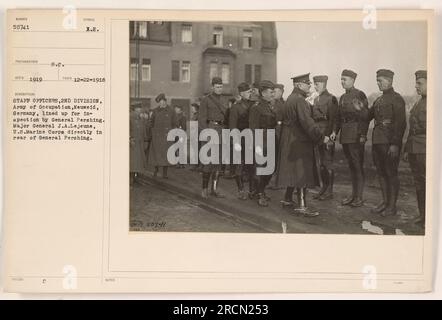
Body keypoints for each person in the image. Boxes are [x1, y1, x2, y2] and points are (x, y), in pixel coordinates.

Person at [276, 73, 328, 216]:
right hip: (299, 141)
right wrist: (320, 136)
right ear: (299, 85)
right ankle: (302, 206)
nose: (310, 86)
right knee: (302, 173)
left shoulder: (290, 99)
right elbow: (307, 122)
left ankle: (287, 199)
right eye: (307, 83)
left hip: (290, 139)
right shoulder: (300, 101)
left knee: (293, 170)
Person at [367, 69, 406, 216]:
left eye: (380, 81)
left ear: (389, 81)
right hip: (378, 142)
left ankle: (392, 206)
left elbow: (401, 123)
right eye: (377, 80)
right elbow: (367, 116)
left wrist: (395, 144)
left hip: (389, 143)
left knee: (391, 173)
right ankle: (384, 202)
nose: (378, 83)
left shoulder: (397, 99)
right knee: (381, 172)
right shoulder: (378, 100)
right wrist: (360, 109)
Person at [331, 69, 369, 207]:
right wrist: (335, 131)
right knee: (352, 166)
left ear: (353, 81)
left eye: (345, 79)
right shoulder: (342, 98)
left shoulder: (359, 94)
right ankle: (353, 196)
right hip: (346, 136)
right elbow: (338, 118)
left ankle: (359, 197)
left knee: (357, 166)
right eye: (341, 79)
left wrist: (363, 135)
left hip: (356, 135)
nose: (342, 82)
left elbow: (365, 117)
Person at [249, 80, 277, 206]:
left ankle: (260, 190)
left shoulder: (270, 106)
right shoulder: (256, 107)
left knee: (271, 169)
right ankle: (260, 194)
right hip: (261, 141)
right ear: (263, 93)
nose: (273, 94)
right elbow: (253, 128)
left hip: (271, 140)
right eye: (271, 92)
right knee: (260, 169)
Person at [404, 70, 427, 225]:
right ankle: (423, 214)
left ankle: (430, 217)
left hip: (426, 148)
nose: (416, 86)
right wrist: (407, 149)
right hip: (415, 148)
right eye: (416, 83)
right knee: (419, 182)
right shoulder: (419, 101)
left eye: (420, 83)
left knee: (428, 182)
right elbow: (412, 128)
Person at [198, 77, 227, 199]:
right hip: (210, 130)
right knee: (208, 162)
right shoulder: (206, 100)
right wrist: (206, 134)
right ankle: (204, 189)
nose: (219, 89)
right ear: (212, 87)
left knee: (218, 162)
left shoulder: (224, 100)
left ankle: (214, 189)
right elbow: (201, 119)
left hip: (221, 131)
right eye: (217, 87)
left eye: (221, 87)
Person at [311, 75, 338, 200]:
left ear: (324, 83)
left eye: (318, 84)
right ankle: (324, 188)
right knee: (321, 163)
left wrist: (328, 135)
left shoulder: (331, 98)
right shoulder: (316, 99)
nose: (316, 86)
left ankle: (329, 191)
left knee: (328, 163)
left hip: (326, 134)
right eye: (315, 84)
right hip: (318, 134)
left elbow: (333, 119)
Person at [229, 82, 254, 200]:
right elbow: (232, 126)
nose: (250, 94)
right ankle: (240, 190)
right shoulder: (236, 107)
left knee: (250, 166)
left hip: (250, 139)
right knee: (239, 166)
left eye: (250, 92)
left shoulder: (253, 106)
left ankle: (252, 191)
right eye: (248, 92)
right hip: (240, 139)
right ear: (241, 93)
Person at [147, 93, 176, 179]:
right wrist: (153, 132)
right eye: (160, 102)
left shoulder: (171, 111)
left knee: (166, 155)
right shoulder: (155, 111)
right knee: (156, 154)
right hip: (157, 137)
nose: (162, 104)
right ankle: (155, 170)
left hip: (167, 137)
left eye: (163, 102)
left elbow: (175, 123)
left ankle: (165, 173)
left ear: (166, 101)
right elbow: (151, 122)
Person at [268, 83, 285, 191]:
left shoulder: (284, 104)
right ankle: (272, 180)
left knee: (279, 157)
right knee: (272, 156)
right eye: (273, 91)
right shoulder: (271, 103)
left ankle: (278, 182)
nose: (274, 93)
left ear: (282, 92)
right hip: (272, 131)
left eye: (277, 91)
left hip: (281, 132)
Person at [130, 102, 147, 185]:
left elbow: (143, 130)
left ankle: (136, 178)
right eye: (139, 108)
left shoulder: (140, 118)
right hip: (133, 143)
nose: (140, 110)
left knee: (138, 162)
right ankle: (131, 179)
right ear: (135, 109)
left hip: (139, 142)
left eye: (140, 108)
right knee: (133, 162)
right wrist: (130, 139)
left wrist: (145, 139)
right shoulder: (130, 117)